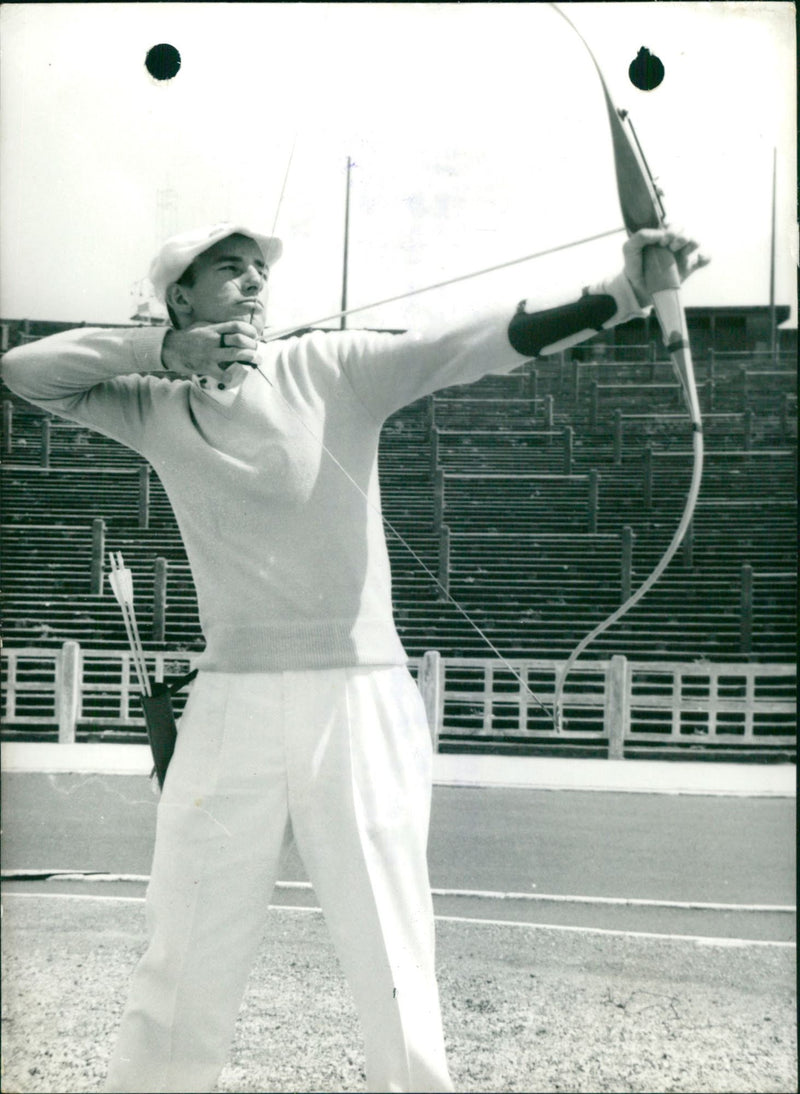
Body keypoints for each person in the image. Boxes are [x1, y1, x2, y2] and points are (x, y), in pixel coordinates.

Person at [2, 221, 707, 1093]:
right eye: (230, 270)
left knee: (390, 956)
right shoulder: (153, 400)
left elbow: (466, 344)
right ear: (181, 294)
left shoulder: (325, 367)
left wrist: (624, 293)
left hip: (357, 695)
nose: (255, 283)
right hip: (227, 706)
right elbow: (22, 371)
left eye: (261, 270)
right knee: (182, 951)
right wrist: (166, 351)